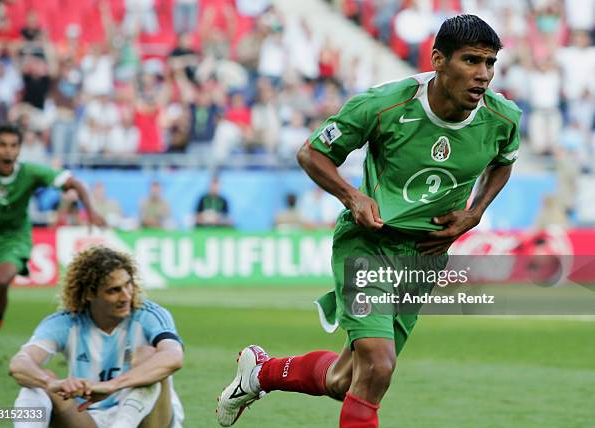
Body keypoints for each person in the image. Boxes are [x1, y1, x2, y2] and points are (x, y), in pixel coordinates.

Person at [217, 15, 520, 427]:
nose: (483, 74)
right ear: (438, 60)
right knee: (378, 365)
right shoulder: (384, 104)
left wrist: (475, 212)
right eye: (471, 61)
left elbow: (503, 162)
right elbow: (311, 153)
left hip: (423, 259)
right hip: (369, 245)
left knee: (348, 379)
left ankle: (261, 372)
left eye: (490, 63)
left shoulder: (503, 118)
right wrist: (352, 196)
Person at [9, 245, 185, 428]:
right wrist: (51, 382)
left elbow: (174, 357)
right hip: (87, 417)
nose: (126, 296)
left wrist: (113, 385)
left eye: (128, 284)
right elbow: (20, 363)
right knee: (36, 382)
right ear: (89, 294)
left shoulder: (149, 314)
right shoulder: (66, 321)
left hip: (147, 420)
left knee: (148, 357)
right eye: (113, 290)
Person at [0, 123, 106, 376]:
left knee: (3, 280)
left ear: (20, 149)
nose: (8, 151)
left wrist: (90, 211)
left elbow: (75, 184)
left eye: (14, 145)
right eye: (2, 145)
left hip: (12, 240)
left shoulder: (30, 172)